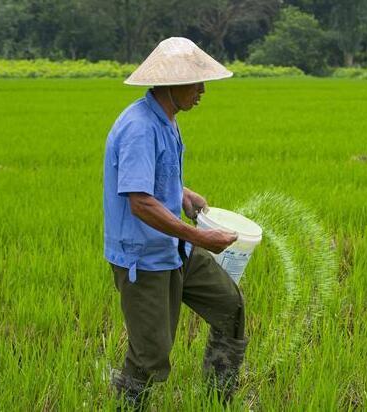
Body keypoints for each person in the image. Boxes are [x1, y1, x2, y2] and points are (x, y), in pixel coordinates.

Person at [103, 37, 247, 409]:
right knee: (150, 358)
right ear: (171, 83)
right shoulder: (139, 126)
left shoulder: (165, 118)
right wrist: (199, 235)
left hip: (175, 247)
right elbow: (140, 203)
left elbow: (152, 180)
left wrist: (182, 194)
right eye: (196, 83)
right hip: (144, 259)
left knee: (229, 307)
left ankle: (217, 400)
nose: (202, 91)